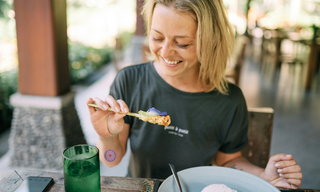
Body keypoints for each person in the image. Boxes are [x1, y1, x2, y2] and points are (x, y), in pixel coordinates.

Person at [87, 0, 302, 189]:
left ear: (209, 42)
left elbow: (229, 162)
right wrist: (107, 136)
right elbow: (111, 160)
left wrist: (264, 176)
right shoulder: (129, 81)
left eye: (182, 43)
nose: (165, 52)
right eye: (157, 37)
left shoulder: (229, 100)